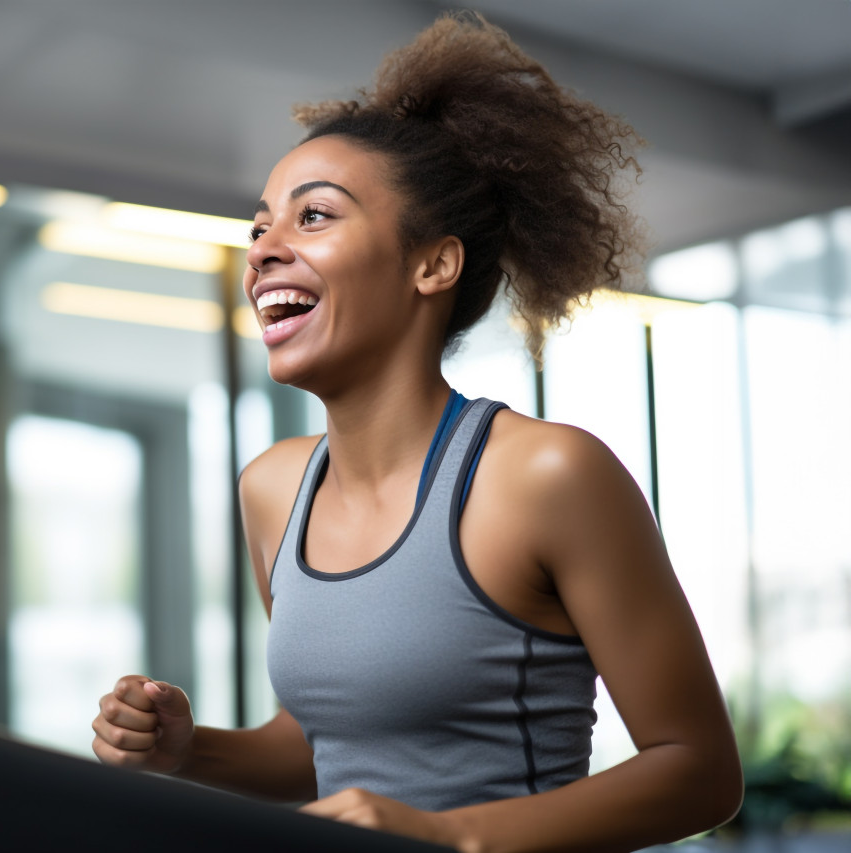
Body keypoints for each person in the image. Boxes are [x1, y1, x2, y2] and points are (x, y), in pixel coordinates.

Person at [91, 12, 742, 852]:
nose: (262, 251)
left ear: (432, 264)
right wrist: (188, 749)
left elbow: (699, 770)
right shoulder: (273, 488)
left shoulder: (547, 475)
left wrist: (445, 837)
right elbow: (317, 741)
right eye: (259, 228)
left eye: (313, 216)